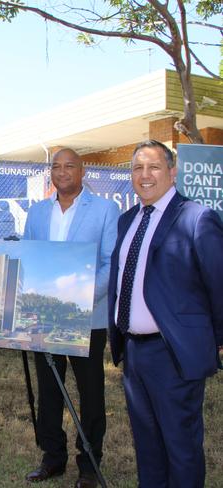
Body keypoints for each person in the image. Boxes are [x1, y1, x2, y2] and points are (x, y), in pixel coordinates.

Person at [108, 140, 223, 488]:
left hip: (173, 353)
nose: (145, 175)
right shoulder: (128, 219)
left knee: (181, 447)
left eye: (154, 167)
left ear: (172, 171)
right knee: (148, 447)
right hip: (134, 353)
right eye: (137, 168)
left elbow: (219, 284)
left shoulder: (197, 218)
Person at [23, 148, 119, 488]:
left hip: (86, 317)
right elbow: (27, 259)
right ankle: (53, 458)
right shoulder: (36, 213)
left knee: (90, 393)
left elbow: (111, 263)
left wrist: (80, 300)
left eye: (69, 166)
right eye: (56, 166)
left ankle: (90, 464)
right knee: (49, 391)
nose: (62, 172)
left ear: (83, 170)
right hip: (44, 320)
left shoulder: (106, 210)